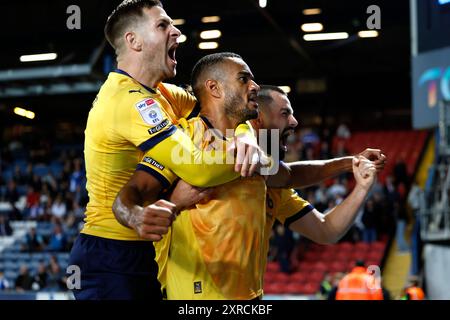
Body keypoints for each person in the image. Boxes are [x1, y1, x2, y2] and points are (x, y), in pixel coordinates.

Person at [115, 58, 384, 299]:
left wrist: (355, 174)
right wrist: (150, 212)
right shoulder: (184, 141)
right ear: (215, 88)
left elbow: (314, 211)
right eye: (244, 79)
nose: (294, 123)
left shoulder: (261, 169)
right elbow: (129, 196)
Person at [69, 0, 262, 300]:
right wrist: (258, 157)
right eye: (163, 25)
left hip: (146, 246)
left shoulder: (161, 93)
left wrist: (245, 132)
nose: (177, 32)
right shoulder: (127, 101)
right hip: (112, 252)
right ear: (133, 41)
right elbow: (197, 168)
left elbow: (222, 106)